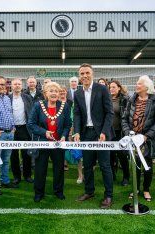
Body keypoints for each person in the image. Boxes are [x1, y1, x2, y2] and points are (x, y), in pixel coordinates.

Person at [73, 63, 114, 209]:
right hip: (86, 134)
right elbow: (77, 114)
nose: (84, 76)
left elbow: (110, 112)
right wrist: (76, 131)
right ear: (79, 75)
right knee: (87, 165)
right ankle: (89, 191)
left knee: (105, 166)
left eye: (87, 73)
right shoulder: (77, 93)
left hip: (101, 133)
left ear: (92, 74)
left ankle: (108, 196)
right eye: (82, 73)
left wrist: (103, 132)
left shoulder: (102, 89)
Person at [121, 75, 155, 202]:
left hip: (148, 141)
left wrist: (147, 136)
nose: (136, 85)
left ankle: (146, 189)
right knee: (135, 166)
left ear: (146, 87)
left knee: (147, 166)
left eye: (139, 84)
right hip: (133, 140)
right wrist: (128, 133)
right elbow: (124, 118)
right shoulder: (131, 100)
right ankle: (136, 189)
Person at [28, 82, 72, 202]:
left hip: (58, 143)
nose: (54, 93)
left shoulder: (65, 106)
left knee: (59, 168)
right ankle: (38, 192)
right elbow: (31, 124)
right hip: (42, 143)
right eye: (51, 91)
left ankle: (58, 191)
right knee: (40, 169)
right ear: (45, 93)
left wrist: (63, 136)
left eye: (56, 91)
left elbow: (68, 125)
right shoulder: (38, 105)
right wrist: (44, 132)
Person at [9, 78, 34, 184]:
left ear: (22, 86)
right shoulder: (7, 98)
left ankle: (27, 175)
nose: (17, 86)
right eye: (15, 84)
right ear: (11, 86)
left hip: (25, 128)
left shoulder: (27, 98)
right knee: (13, 154)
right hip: (12, 130)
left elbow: (32, 112)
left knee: (26, 154)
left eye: (19, 84)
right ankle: (16, 176)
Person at [108, 80, 130, 186]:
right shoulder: (106, 99)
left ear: (119, 88)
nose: (111, 89)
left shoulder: (124, 99)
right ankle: (112, 175)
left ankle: (126, 176)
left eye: (113, 87)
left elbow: (127, 116)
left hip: (120, 132)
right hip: (108, 132)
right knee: (110, 155)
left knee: (122, 155)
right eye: (110, 87)